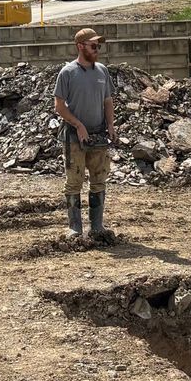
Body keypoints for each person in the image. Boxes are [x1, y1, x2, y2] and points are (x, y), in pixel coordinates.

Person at [52, 27, 115, 242]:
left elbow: (107, 101)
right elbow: (59, 106)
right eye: (93, 45)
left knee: (99, 180)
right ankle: (75, 228)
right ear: (80, 46)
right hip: (74, 137)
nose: (97, 49)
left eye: (98, 46)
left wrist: (111, 126)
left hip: (98, 135)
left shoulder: (102, 72)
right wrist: (78, 125)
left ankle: (97, 227)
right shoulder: (68, 73)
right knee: (74, 182)